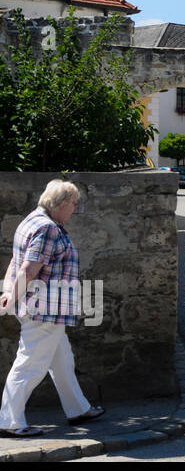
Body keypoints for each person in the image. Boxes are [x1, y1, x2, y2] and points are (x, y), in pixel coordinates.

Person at [0, 179, 103, 437]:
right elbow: (28, 268)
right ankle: (9, 422)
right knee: (30, 365)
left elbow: (17, 260)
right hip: (44, 309)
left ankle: (78, 409)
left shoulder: (31, 220)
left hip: (44, 309)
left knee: (62, 360)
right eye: (73, 203)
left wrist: (8, 292)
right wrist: (11, 296)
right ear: (61, 204)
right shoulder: (48, 228)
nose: (75, 208)